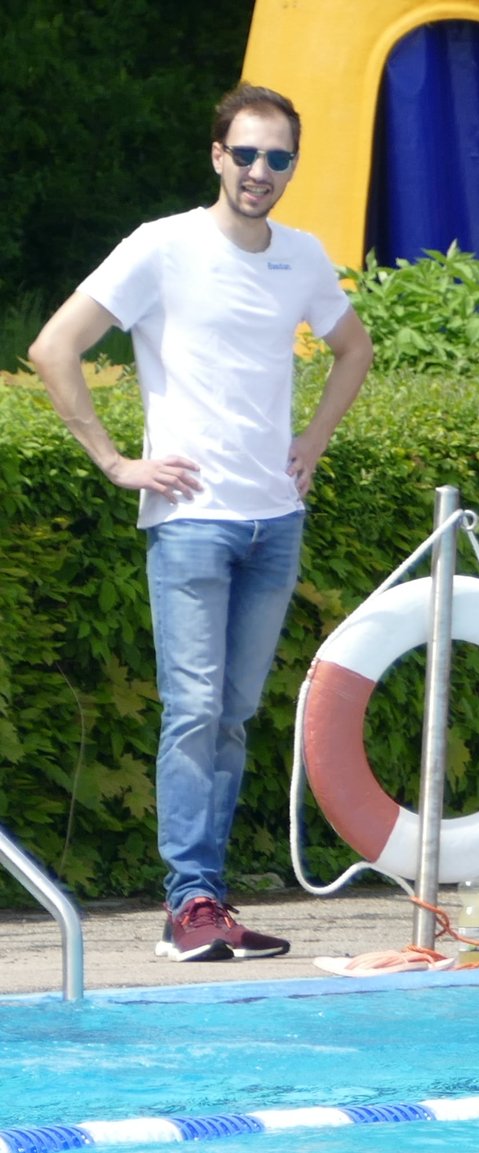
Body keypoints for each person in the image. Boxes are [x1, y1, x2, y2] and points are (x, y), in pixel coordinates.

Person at [27, 85, 375, 962]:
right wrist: (115, 462)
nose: (261, 172)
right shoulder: (161, 246)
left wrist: (314, 441)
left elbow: (355, 347)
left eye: (279, 158)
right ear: (216, 154)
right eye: (247, 154)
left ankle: (207, 898)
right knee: (193, 713)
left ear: (293, 165)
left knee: (233, 715)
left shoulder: (300, 256)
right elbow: (53, 346)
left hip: (274, 522)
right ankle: (189, 903)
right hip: (188, 524)